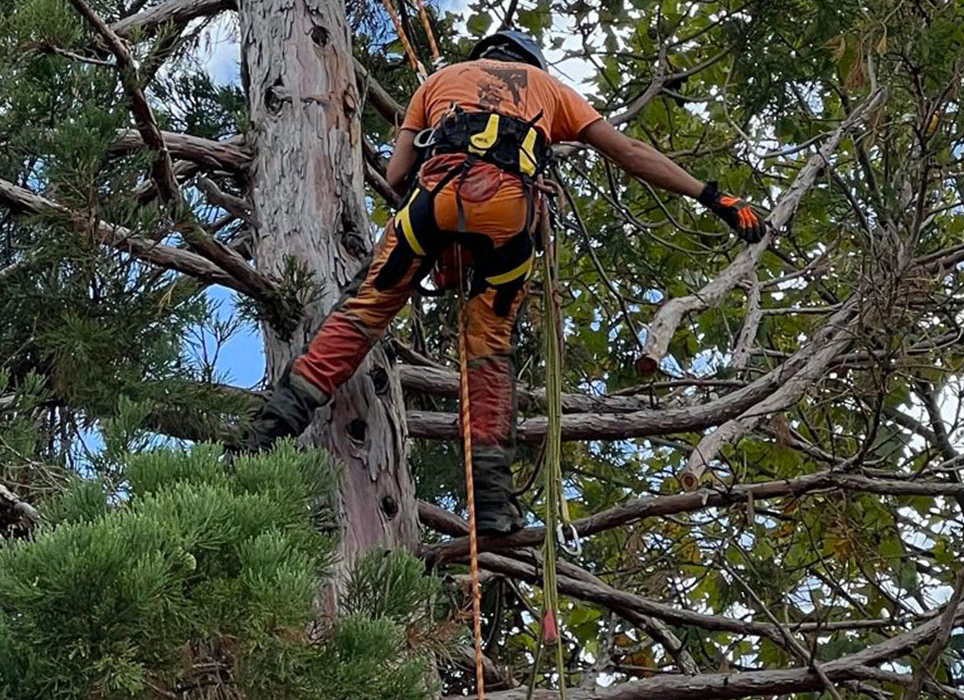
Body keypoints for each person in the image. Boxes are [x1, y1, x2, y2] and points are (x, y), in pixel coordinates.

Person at [241, 30, 768, 536]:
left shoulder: (440, 80)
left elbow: (399, 174)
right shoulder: (552, 91)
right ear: (529, 62)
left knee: (366, 310)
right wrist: (712, 196)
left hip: (435, 201)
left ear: (485, 53)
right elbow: (629, 152)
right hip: (510, 214)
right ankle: (492, 503)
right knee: (488, 347)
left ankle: (268, 432)